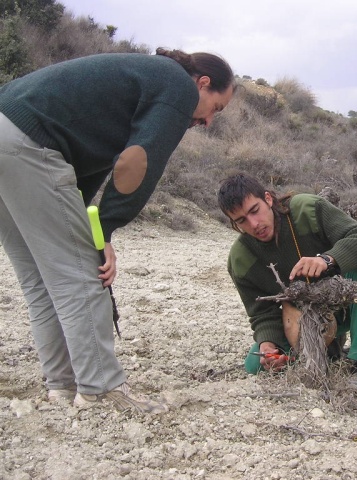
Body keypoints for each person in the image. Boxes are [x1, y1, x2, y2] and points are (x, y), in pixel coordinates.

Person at [0, 48, 235, 413]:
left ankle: (61, 386)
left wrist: (94, 230)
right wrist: (104, 231)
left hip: (9, 130)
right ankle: (100, 388)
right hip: (28, 143)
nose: (207, 122)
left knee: (41, 277)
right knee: (80, 276)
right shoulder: (177, 86)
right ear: (202, 84)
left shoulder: (141, 78)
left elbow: (81, 172)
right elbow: (139, 161)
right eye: (216, 108)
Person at [217, 173, 357, 399]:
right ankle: (329, 351)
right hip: (306, 320)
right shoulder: (240, 259)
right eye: (241, 221)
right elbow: (261, 315)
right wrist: (269, 346)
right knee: (254, 364)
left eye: (254, 210)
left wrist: (327, 259)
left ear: (268, 199)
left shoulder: (307, 209)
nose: (254, 224)